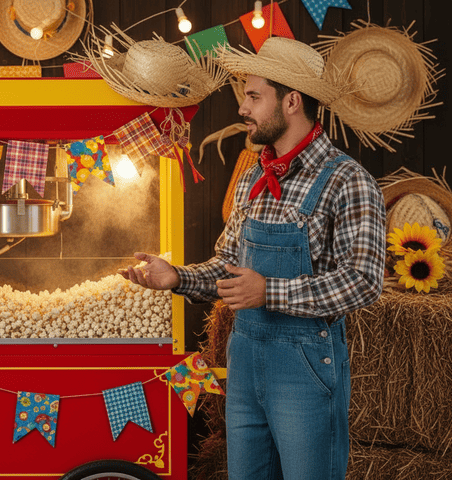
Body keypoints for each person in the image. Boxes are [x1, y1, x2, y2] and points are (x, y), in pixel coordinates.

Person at [120, 37, 386, 479]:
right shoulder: (251, 180)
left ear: (292, 102)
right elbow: (228, 265)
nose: (243, 108)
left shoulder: (347, 180)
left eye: (254, 96)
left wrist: (269, 292)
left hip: (304, 366)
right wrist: (178, 278)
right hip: (244, 359)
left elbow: (363, 281)